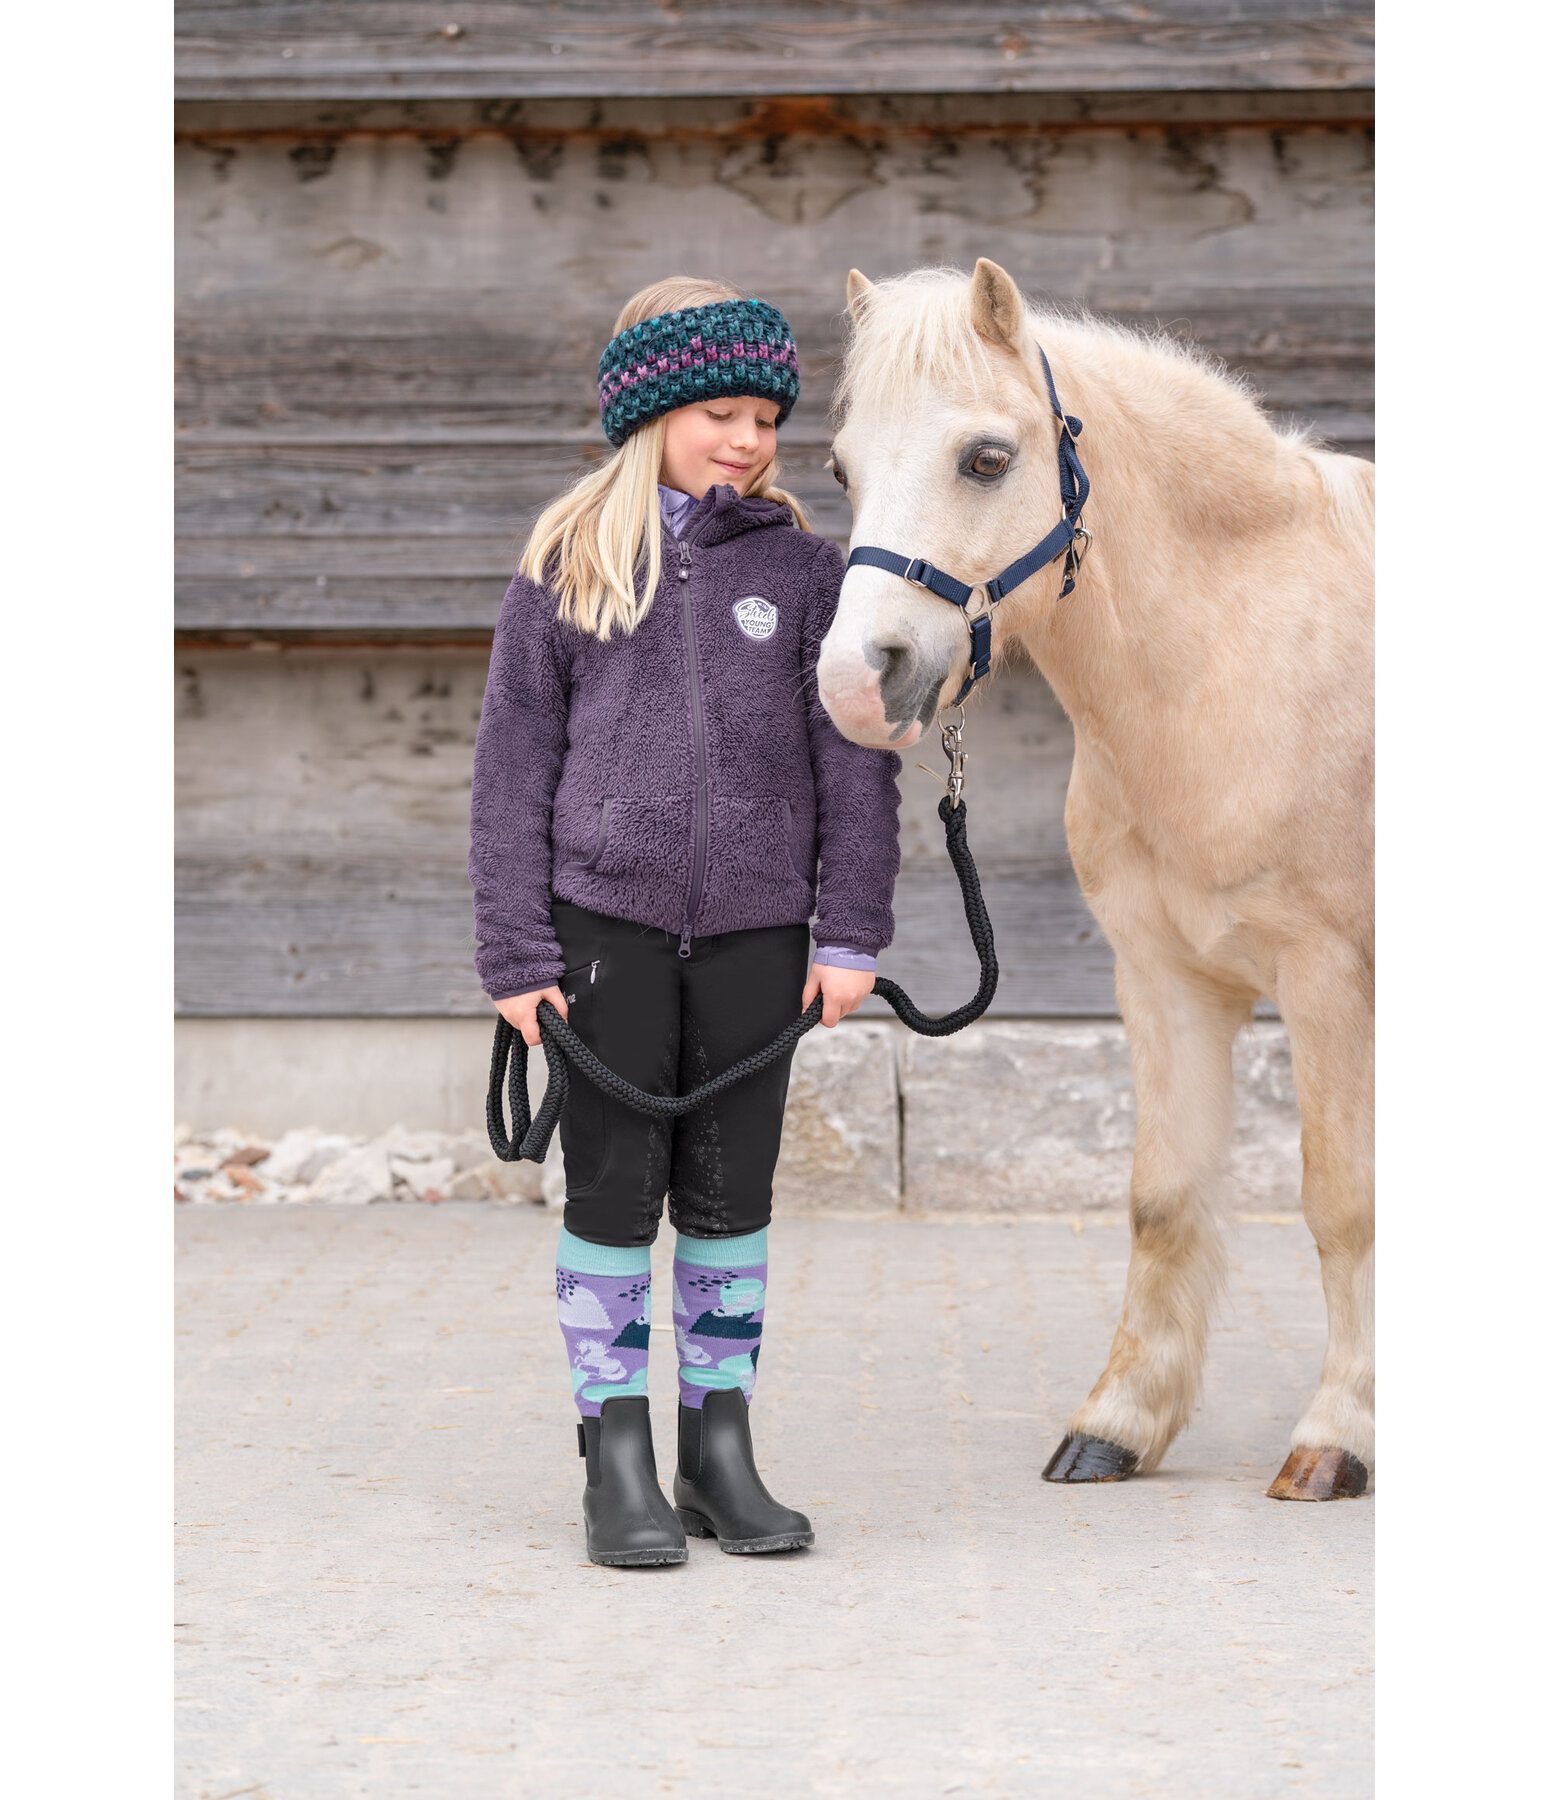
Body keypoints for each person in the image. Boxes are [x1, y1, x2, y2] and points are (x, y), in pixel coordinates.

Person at [469, 276, 901, 1566]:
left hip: (760, 939)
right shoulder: (569, 570)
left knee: (730, 1195)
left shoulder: (810, 575)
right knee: (610, 1195)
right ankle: (615, 1456)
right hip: (603, 932)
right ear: (652, 413)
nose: (749, 438)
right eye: (721, 410)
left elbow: (855, 767)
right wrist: (514, 951)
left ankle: (719, 1444)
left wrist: (850, 933)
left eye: (767, 414)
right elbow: (509, 774)